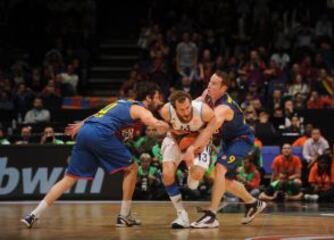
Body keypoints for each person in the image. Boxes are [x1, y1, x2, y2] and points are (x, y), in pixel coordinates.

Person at [21, 82, 169, 228]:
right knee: (132, 168)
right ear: (148, 98)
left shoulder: (121, 103)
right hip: (101, 134)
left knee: (69, 178)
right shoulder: (138, 108)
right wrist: (161, 124)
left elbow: (98, 114)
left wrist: (81, 124)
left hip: (86, 131)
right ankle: (124, 215)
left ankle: (33, 214)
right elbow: (149, 119)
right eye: (157, 97)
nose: (160, 100)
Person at [184, 71, 266, 228]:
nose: (209, 85)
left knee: (220, 169)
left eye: (214, 84)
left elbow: (208, 131)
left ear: (224, 88)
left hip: (242, 139)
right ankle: (253, 203)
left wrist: (192, 148)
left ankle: (212, 215)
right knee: (222, 179)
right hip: (227, 140)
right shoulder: (207, 94)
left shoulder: (223, 108)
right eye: (210, 81)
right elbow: (195, 105)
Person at [158, 90, 214, 228]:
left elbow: (211, 130)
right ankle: (181, 214)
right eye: (181, 109)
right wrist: (180, 143)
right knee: (167, 174)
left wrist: (196, 146)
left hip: (199, 139)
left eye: (188, 107)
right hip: (175, 140)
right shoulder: (166, 111)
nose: (186, 111)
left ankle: (191, 173)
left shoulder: (204, 111)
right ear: (174, 108)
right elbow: (161, 128)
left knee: (195, 179)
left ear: (191, 103)